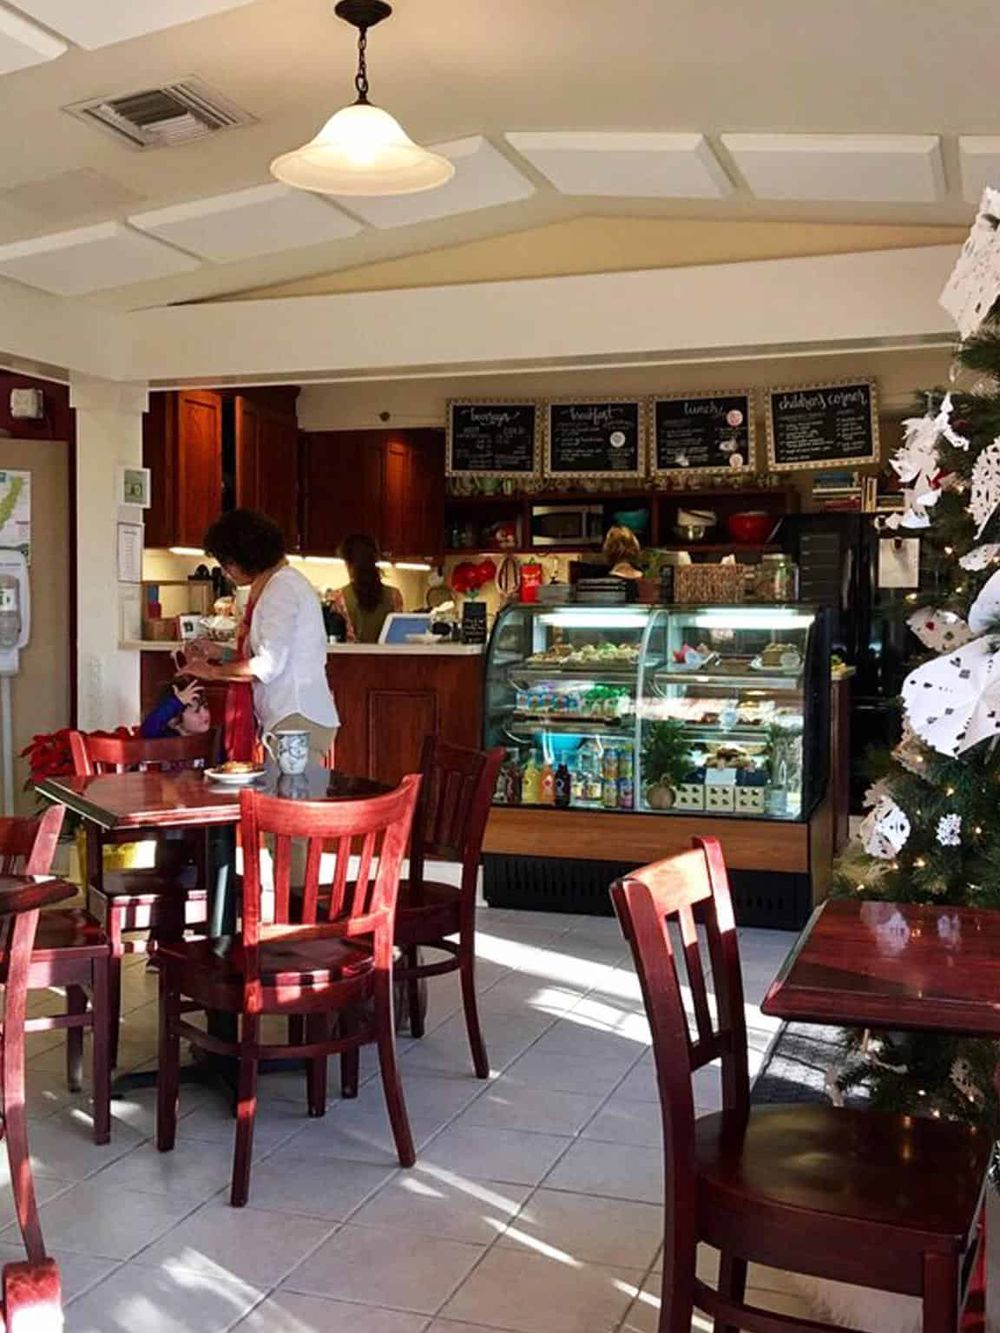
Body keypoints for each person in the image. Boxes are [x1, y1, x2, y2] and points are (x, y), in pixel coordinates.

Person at [185, 509, 338, 764]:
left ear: (246, 557)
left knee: (290, 802)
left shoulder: (281, 589)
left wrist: (211, 672)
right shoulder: (277, 584)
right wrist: (218, 653)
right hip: (293, 717)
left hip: (296, 717)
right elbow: (271, 654)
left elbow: (268, 665)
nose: (226, 571)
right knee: (287, 798)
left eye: (227, 563)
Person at [327, 533, 403, 644]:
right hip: (386, 659)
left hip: (351, 658)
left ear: (349, 564)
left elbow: (336, 639)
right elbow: (397, 636)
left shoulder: (338, 598)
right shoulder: (394, 595)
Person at [140, 676, 212, 741]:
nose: (205, 714)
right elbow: (148, 730)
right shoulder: (166, 740)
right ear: (173, 721)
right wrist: (176, 702)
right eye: (196, 711)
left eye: (205, 707)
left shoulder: (212, 739)